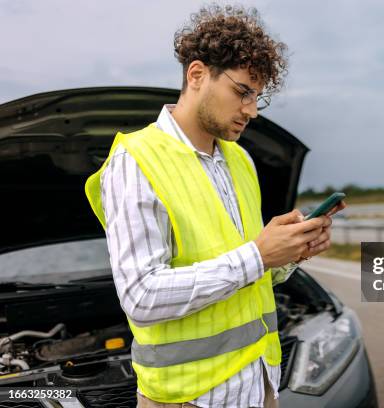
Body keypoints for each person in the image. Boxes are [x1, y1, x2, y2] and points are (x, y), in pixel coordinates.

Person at [84, 4, 345, 408]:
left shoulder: (241, 161)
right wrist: (259, 255)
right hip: (188, 398)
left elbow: (250, 275)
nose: (252, 110)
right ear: (197, 75)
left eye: (257, 97)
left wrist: (290, 252)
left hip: (260, 385)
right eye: (242, 92)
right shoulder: (136, 161)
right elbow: (142, 296)